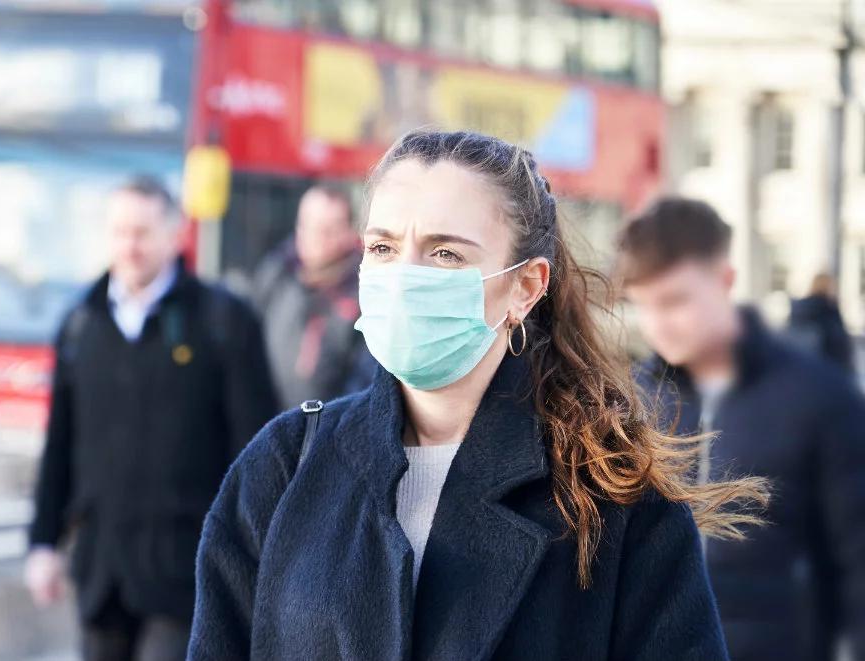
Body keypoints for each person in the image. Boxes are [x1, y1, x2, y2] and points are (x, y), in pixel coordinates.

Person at [188, 131, 765, 661]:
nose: (405, 276)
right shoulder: (286, 464)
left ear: (525, 286)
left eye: (446, 254)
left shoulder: (611, 499)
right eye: (384, 248)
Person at [25, 175, 278, 661]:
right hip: (102, 570)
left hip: (188, 569)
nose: (130, 246)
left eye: (142, 232)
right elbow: (59, 442)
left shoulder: (223, 321)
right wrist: (43, 542)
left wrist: (252, 554)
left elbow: (256, 449)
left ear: (173, 234)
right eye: (119, 232)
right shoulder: (82, 323)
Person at [619, 197, 865, 661]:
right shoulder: (632, 402)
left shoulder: (817, 396)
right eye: (643, 306)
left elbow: (856, 559)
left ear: (724, 281)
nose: (657, 324)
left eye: (674, 301)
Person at [252, 184, 374, 408]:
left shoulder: (364, 292)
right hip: (271, 425)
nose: (314, 238)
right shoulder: (277, 275)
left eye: (327, 230)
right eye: (307, 226)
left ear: (348, 233)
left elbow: (364, 381)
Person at [788, 272, 854, 373]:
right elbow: (839, 347)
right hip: (828, 372)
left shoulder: (800, 311)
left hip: (803, 372)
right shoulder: (828, 312)